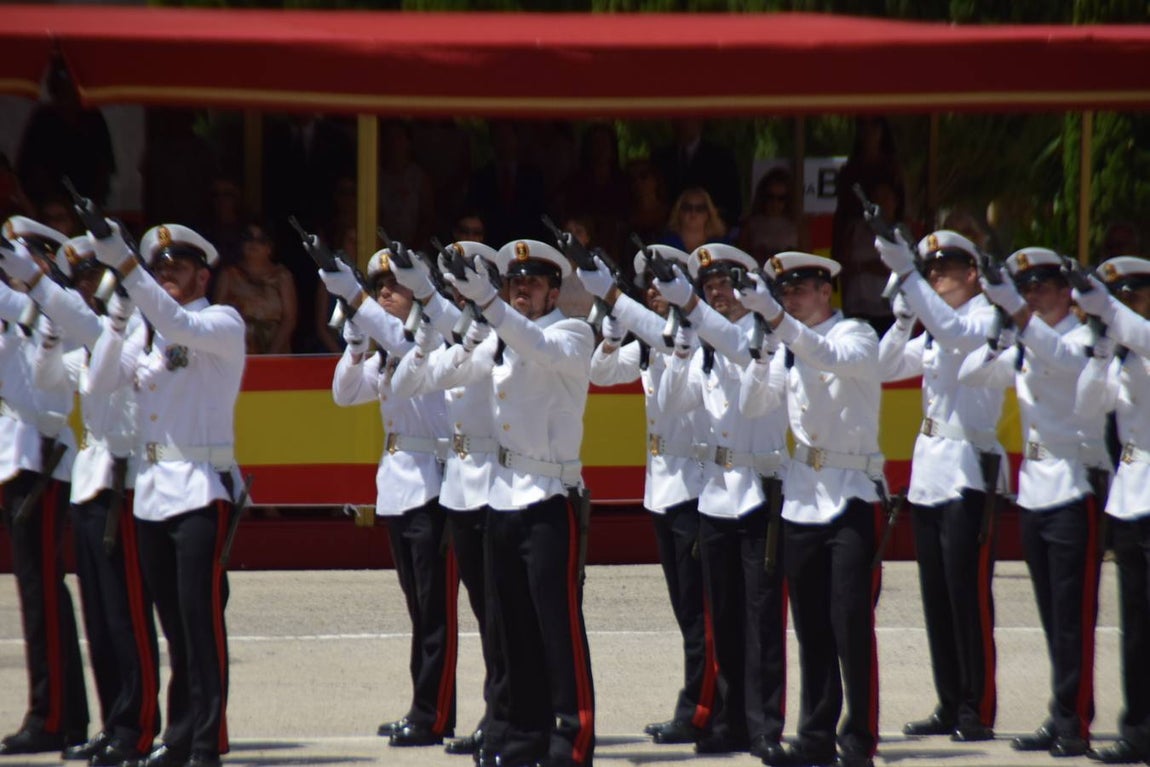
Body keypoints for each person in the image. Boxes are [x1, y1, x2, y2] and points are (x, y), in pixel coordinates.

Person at [85, 222, 246, 767]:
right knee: (174, 626)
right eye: (159, 267)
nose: (167, 273)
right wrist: (119, 312)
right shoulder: (147, 333)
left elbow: (176, 320)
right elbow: (99, 382)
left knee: (201, 623)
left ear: (204, 274)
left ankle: (206, 742)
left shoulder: (219, 322)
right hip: (153, 492)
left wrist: (128, 269)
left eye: (178, 266)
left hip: (202, 489)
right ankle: (179, 735)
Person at [435, 239, 596, 767]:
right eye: (512, 282)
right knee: (515, 628)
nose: (520, 289)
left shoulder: (572, 333)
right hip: (501, 498)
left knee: (558, 627)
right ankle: (524, 734)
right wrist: (444, 310)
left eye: (531, 281)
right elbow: (442, 376)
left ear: (554, 290)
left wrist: (491, 303)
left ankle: (571, 737)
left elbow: (537, 347)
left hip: (550, 498)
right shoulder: (501, 338)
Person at [5, 233, 161, 766]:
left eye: (95, 274)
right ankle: (116, 719)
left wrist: (46, 291)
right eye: (80, 278)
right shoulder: (82, 330)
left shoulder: (132, 327)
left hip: (122, 477)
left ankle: (136, 724)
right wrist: (52, 312)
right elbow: (48, 372)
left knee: (126, 613)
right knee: (100, 615)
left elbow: (100, 341)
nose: (89, 286)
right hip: (93, 477)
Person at [958, 248, 1108, 757]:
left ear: (1068, 292)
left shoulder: (1083, 338)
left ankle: (1075, 721)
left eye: (1043, 287)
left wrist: (1020, 319)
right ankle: (1059, 711)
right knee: (1050, 613)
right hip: (1034, 489)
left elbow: (1063, 361)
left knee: (1074, 617)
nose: (1034, 297)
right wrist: (1002, 328)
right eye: (1027, 289)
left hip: (1073, 487)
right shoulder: (1028, 339)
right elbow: (973, 376)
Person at [737, 251, 885, 767]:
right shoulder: (788, 345)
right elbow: (754, 407)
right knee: (812, 626)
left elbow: (830, 357)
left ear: (827, 291)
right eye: (784, 292)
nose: (790, 299)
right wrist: (761, 352)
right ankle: (817, 733)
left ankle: (860, 737)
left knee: (850, 622)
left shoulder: (858, 335)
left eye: (800, 289)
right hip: (802, 498)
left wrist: (779, 324)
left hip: (850, 494)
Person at [649, 244, 788, 762]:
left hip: (758, 489)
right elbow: (669, 402)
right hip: (714, 494)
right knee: (724, 617)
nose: (718, 294)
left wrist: (692, 312)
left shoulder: (765, 336)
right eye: (708, 288)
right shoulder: (707, 344)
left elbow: (745, 371)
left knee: (762, 617)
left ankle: (765, 726)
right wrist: (682, 343)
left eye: (725, 285)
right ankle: (730, 720)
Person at [576, 245, 717, 747]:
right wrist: (613, 332)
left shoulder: (698, 335)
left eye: (663, 282)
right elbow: (600, 372)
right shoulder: (654, 341)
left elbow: (674, 362)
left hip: (697, 487)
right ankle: (703, 702)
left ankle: (702, 708)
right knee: (687, 609)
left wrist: (616, 301)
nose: (653, 291)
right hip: (663, 487)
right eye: (649, 285)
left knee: (702, 612)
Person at [318, 248, 457, 748]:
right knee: (418, 608)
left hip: (432, 486)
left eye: (393, 286)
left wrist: (356, 303)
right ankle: (425, 705)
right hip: (398, 486)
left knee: (435, 609)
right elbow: (344, 391)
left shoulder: (433, 335)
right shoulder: (385, 347)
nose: (383, 293)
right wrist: (355, 341)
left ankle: (434, 713)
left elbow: (403, 343)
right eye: (377, 286)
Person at [876, 229, 1005, 743]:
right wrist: (905, 313)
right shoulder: (933, 327)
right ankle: (949, 700)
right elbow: (885, 365)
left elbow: (954, 333)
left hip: (968, 472)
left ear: (972, 273)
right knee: (935, 594)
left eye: (944, 268)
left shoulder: (983, 317)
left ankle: (977, 706)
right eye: (928, 270)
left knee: (967, 595)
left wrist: (910, 281)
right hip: (930, 470)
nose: (935, 276)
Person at [390, 241, 503, 760]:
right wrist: (425, 312)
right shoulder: (462, 335)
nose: (458, 293)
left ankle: (508, 714)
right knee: (487, 613)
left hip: (498, 487)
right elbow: (413, 380)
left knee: (503, 616)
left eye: (466, 282)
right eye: (451, 283)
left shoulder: (504, 331)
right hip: (459, 489)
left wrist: (427, 294)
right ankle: (499, 714)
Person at [0, 217, 88, 757]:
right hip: (15, 459)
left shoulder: (50, 312)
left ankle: (54, 716)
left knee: (43, 590)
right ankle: (58, 710)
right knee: (33, 590)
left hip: (42, 461)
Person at [1073, 256, 1150, 765]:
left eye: (1130, 297)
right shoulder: (1122, 350)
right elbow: (1086, 404)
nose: (1119, 308)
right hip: (1129, 495)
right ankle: (1137, 729)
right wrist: (1101, 349)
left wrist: (1106, 309)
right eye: (1114, 297)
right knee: (1136, 627)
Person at [832, 117, 906, 335]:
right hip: (856, 238)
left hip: (887, 236)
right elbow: (841, 216)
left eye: (874, 126)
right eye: (863, 126)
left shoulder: (893, 168)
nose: (868, 132)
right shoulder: (850, 169)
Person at [213, 221, 298, 354]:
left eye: (261, 240)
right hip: (237, 348)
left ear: (270, 247)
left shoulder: (282, 276)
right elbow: (217, 315)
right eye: (248, 238)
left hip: (276, 347)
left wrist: (272, 354)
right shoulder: (228, 274)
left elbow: (290, 319)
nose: (254, 243)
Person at [652, 119, 742, 229]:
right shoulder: (660, 157)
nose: (684, 124)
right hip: (668, 228)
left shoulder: (721, 157)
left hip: (709, 230)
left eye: (689, 118)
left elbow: (732, 202)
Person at [737, 167, 800, 265]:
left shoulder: (797, 225)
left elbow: (805, 258)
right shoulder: (751, 224)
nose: (775, 203)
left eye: (781, 198)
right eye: (770, 197)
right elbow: (741, 257)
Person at [660, 188, 727, 255]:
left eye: (699, 208)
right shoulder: (664, 245)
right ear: (679, 212)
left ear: (708, 213)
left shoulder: (720, 246)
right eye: (687, 207)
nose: (693, 213)